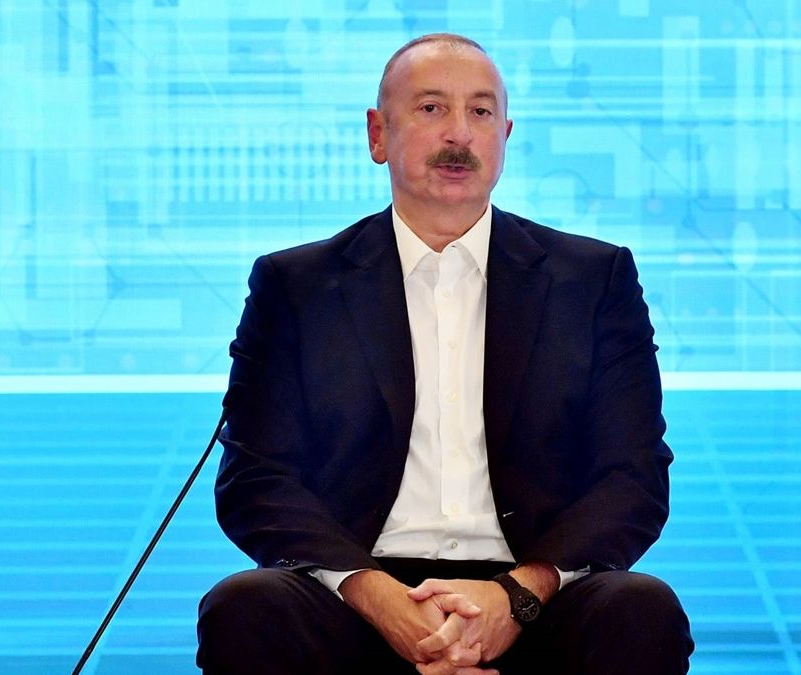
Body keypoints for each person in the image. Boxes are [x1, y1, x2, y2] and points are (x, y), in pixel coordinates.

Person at [197, 33, 693, 674]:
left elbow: (633, 478)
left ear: (505, 136)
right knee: (247, 606)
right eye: (432, 108)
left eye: (480, 112)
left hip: (533, 597)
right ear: (378, 134)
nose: (460, 133)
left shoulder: (594, 281)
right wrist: (377, 597)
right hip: (357, 596)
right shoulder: (297, 287)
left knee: (639, 608)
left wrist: (516, 596)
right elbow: (256, 477)